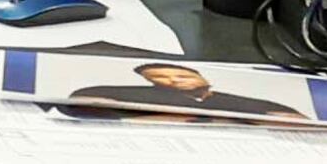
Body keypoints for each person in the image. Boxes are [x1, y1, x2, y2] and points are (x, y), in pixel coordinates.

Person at [59, 61, 302, 120]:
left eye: (181, 75)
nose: (173, 81)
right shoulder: (120, 92)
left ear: (201, 75)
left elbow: (292, 120)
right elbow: (84, 101)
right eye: (161, 78)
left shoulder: (253, 103)